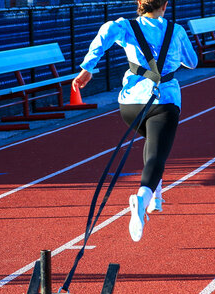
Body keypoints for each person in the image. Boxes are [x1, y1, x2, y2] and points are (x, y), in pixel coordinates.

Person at [72, 0, 198, 242]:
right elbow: (192, 62)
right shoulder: (177, 31)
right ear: (166, 4)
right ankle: (142, 197)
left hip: (130, 106)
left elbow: (106, 31)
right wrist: (171, 54)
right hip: (164, 102)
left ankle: (156, 198)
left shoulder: (126, 26)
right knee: (156, 156)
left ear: (140, 3)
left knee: (153, 143)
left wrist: (88, 67)